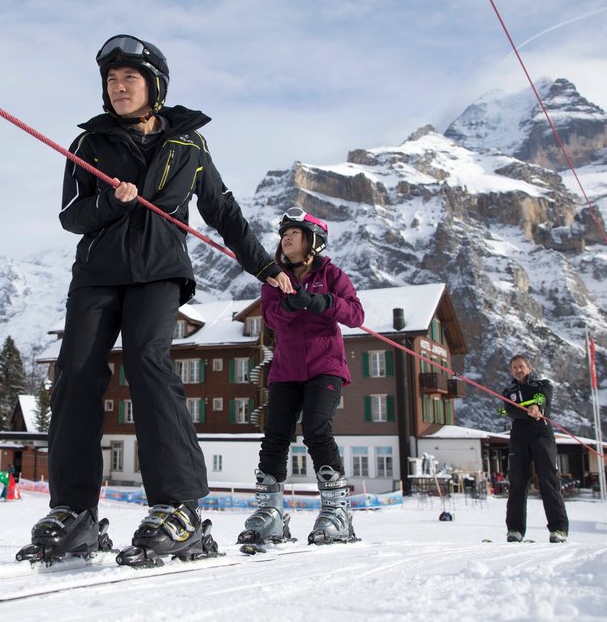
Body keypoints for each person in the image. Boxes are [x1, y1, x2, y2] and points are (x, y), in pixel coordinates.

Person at [21, 34, 294, 566]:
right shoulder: (89, 144)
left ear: (155, 87)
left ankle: (179, 508)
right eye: (111, 80)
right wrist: (110, 200)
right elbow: (71, 217)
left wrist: (265, 267)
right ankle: (74, 511)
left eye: (130, 79)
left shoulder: (188, 145)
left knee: (148, 362)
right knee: (76, 372)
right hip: (97, 276)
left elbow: (223, 211)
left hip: (158, 274)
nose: (118, 87)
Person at [237, 207, 364, 548]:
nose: (286, 238)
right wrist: (291, 305)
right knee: (275, 435)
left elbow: (355, 313)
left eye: (294, 232)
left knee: (316, 429)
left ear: (313, 240)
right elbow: (272, 320)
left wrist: (321, 301)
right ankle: (271, 513)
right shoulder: (275, 279)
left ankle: (337, 510)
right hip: (285, 371)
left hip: (325, 367)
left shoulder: (332, 274)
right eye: (283, 234)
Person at [500, 355, 569, 543]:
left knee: (548, 480)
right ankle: (515, 529)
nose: (518, 370)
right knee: (517, 483)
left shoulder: (542, 384)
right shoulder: (509, 391)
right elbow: (508, 410)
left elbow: (543, 398)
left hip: (541, 435)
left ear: (529, 368)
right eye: (514, 367)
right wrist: (525, 410)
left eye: (521, 366)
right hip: (519, 438)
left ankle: (559, 529)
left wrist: (537, 406)